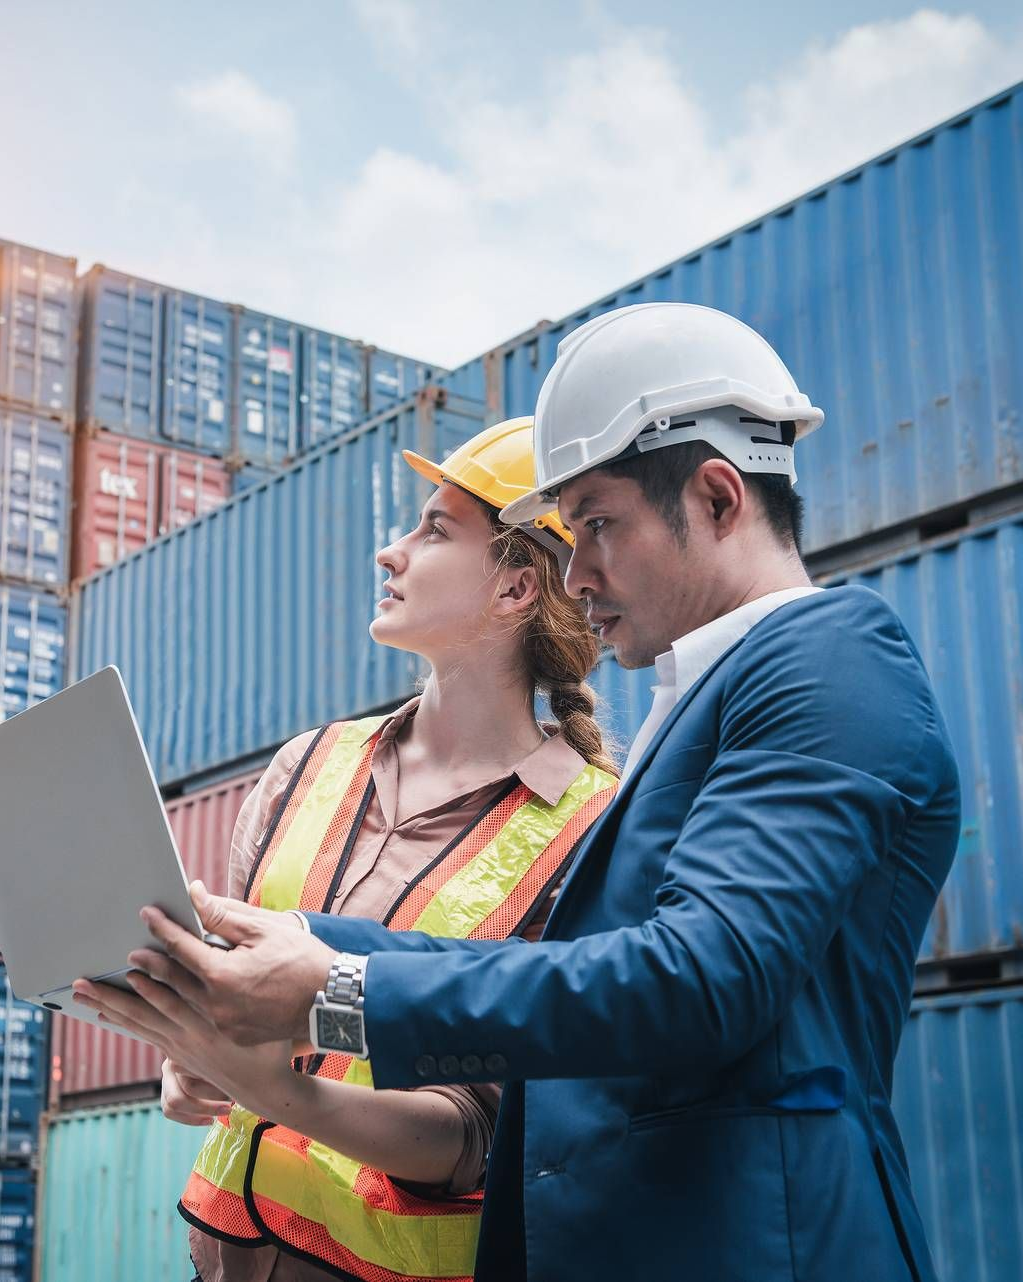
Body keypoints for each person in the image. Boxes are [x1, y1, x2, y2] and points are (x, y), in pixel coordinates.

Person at [83, 303, 962, 1282]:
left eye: (593, 524)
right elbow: (576, 966)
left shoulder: (826, 665)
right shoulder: (704, 696)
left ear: (717, 498)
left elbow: (700, 979)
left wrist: (334, 991)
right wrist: (309, 955)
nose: (575, 572)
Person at [79, 418, 618, 1282]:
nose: (391, 551)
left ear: (518, 587)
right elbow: (225, 1021)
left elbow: (480, 1135)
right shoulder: (307, 765)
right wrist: (190, 1067)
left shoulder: (588, 830)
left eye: (435, 529)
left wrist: (275, 1090)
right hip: (222, 1259)